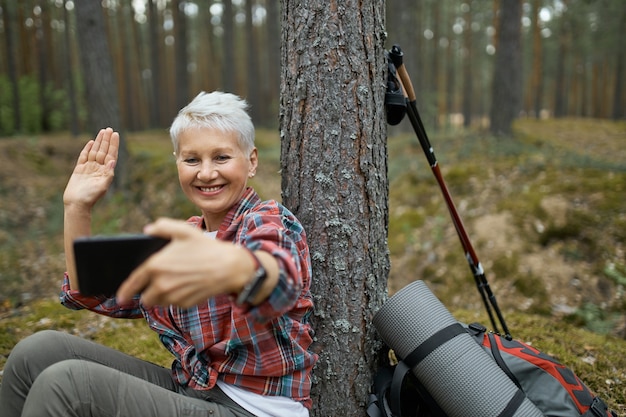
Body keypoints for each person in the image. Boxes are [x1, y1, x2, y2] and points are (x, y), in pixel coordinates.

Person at [0, 92, 318, 417]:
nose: (206, 173)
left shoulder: (267, 220)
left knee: (65, 385)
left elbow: (279, 283)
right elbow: (95, 291)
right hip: (195, 390)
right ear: (177, 162)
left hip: (255, 409)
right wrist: (77, 208)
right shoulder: (182, 237)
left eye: (221, 158)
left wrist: (236, 268)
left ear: (251, 161)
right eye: (192, 160)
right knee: (35, 353)